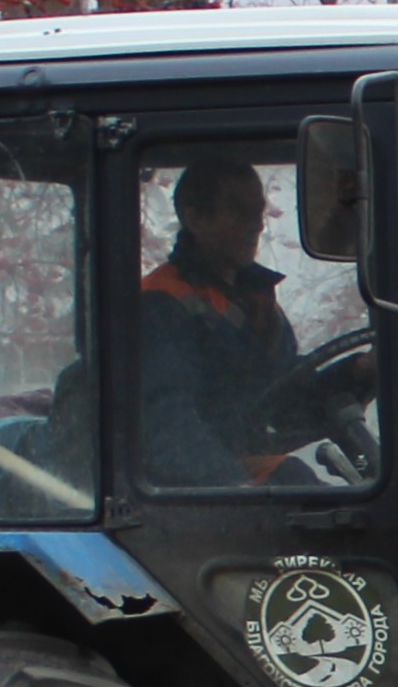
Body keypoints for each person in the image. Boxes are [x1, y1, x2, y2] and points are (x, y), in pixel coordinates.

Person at [137, 159, 363, 486]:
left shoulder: (253, 302)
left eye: (258, 212)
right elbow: (167, 427)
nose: (256, 226)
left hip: (239, 464)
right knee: (292, 479)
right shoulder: (160, 305)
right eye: (238, 211)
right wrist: (239, 491)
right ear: (196, 218)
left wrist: (359, 374)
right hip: (197, 487)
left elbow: (286, 397)